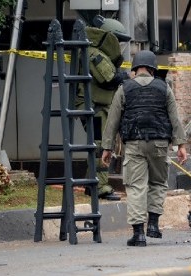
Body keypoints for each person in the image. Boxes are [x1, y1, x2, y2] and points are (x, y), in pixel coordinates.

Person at [101, 50, 188, 246]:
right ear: (152, 69)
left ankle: (139, 233)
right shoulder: (163, 87)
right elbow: (175, 118)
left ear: (135, 69)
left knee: (136, 186)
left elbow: (112, 120)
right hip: (159, 144)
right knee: (158, 183)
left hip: (134, 144)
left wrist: (107, 148)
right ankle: (154, 226)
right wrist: (181, 145)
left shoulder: (124, 88)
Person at [76, 15, 131, 201]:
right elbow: (109, 79)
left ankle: (92, 184)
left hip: (98, 107)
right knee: (100, 146)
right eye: (119, 41)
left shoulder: (96, 52)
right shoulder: (94, 53)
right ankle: (98, 186)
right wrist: (126, 76)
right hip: (94, 108)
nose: (121, 45)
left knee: (100, 145)